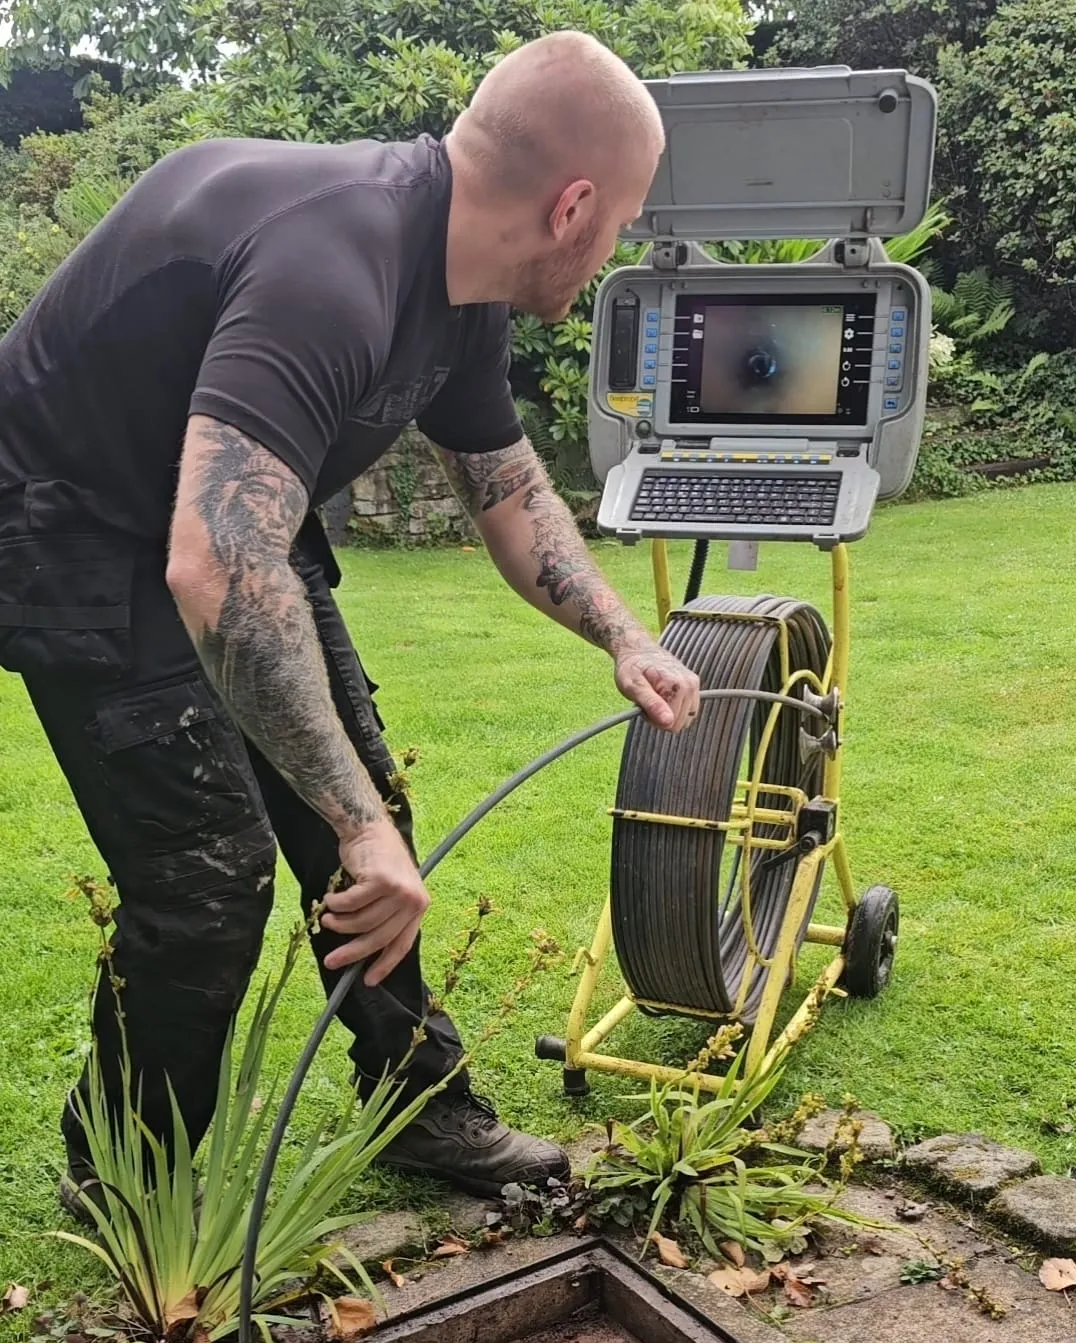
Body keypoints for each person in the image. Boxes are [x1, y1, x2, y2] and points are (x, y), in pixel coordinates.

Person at [0, 30, 701, 1212]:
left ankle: (418, 1111)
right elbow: (213, 569)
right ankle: (126, 1184)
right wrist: (354, 825)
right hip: (70, 532)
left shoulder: (460, 285)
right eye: (623, 219)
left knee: (370, 822)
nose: (616, 243)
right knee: (211, 881)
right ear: (573, 203)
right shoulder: (335, 263)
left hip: (225, 532)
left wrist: (624, 636)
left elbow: (510, 491)